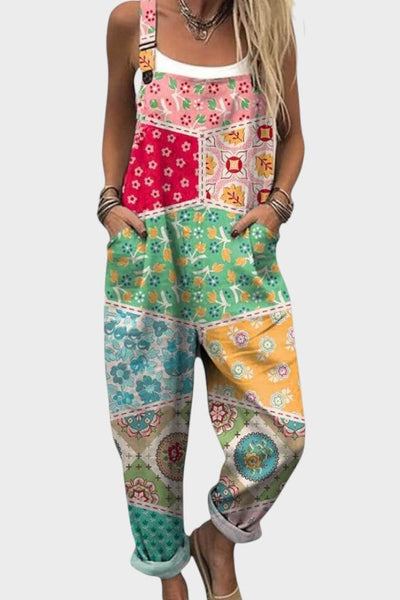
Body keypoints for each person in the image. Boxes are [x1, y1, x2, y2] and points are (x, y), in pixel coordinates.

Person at [99, 1, 306, 598]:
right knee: (147, 432)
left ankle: (217, 539)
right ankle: (169, 578)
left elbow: (293, 135)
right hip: (150, 262)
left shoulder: (267, 27)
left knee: (282, 432)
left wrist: (277, 208)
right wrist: (109, 203)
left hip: (237, 267)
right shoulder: (133, 23)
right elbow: (117, 116)